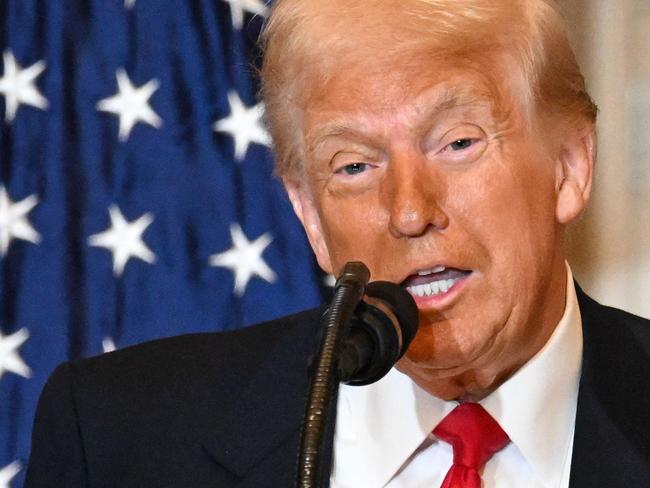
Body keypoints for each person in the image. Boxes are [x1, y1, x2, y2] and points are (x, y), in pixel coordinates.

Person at [25, 0, 650, 487]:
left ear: (569, 166)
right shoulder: (119, 440)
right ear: (311, 218)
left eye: (458, 143)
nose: (409, 212)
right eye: (354, 166)